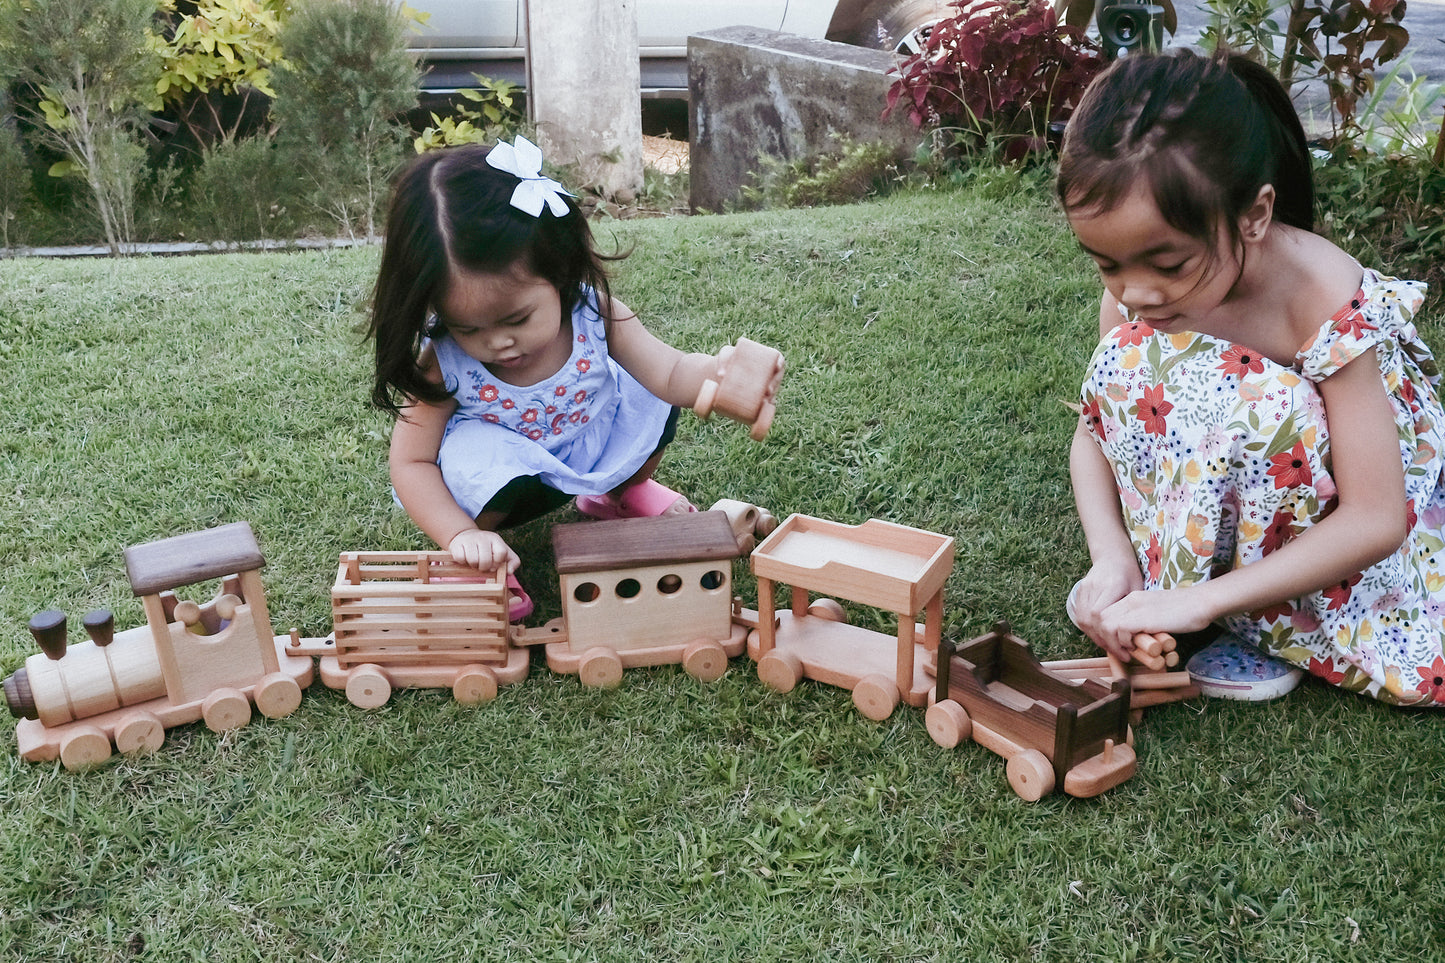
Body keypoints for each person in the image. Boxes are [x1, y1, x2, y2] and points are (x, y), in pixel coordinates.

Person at [1056, 48, 1445, 706]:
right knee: (1127, 364)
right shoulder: (1133, 293)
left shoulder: (1321, 296)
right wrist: (1110, 555)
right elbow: (1098, 431)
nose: (1137, 292)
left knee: (1258, 403)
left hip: (1356, 492)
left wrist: (1200, 601)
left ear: (1254, 215)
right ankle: (1182, 583)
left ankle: (1264, 617)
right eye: (1107, 264)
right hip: (1244, 485)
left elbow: (1376, 516)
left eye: (1168, 263)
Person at [368, 136, 782, 621]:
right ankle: (486, 563)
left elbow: (669, 372)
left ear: (559, 271)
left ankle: (620, 493)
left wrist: (720, 373)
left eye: (517, 318)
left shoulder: (593, 313)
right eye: (468, 328)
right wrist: (461, 536)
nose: (498, 343)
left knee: (650, 398)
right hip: (508, 472)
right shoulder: (443, 359)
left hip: (585, 437)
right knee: (472, 464)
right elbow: (412, 463)